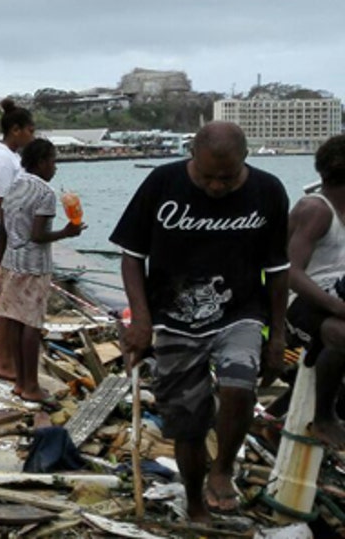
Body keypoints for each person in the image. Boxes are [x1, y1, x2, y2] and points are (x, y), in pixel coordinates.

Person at [111, 121, 289, 522]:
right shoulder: (162, 183)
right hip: (172, 318)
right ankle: (194, 500)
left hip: (240, 312)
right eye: (207, 177)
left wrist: (277, 334)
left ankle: (223, 468)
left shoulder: (269, 191)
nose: (216, 187)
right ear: (192, 156)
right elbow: (132, 256)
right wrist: (140, 320)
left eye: (227, 178)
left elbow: (279, 269)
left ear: (245, 161)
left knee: (239, 384)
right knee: (187, 423)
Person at [0, 138, 83, 403]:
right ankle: (32, 385)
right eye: (53, 161)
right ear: (42, 162)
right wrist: (67, 232)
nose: (55, 168)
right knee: (31, 325)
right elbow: (38, 235)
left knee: (14, 321)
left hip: (11, 262)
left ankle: (20, 383)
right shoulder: (45, 193)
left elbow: (4, 226)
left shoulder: (15, 185)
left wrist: (0, 261)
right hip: (34, 267)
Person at [286, 134, 345, 448]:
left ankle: (276, 413)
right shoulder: (316, 210)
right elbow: (292, 274)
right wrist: (337, 307)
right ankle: (324, 417)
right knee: (340, 334)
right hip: (299, 304)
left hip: (334, 297)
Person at [0, 98, 36, 380]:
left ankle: (8, 356)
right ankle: (3, 360)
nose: (32, 137)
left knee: (8, 300)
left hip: (10, 233)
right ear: (16, 130)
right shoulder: (1, 159)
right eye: (30, 131)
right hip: (1, 234)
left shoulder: (11, 157)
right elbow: (2, 205)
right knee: (5, 300)